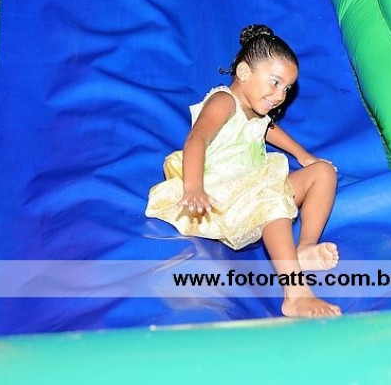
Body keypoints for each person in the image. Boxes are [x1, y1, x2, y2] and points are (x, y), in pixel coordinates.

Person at [146, 24, 341, 317]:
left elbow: (268, 129)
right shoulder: (223, 101)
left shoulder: (256, 112)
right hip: (220, 199)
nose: (280, 95)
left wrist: (304, 156)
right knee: (270, 200)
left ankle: (304, 248)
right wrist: (194, 188)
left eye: (287, 89)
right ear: (244, 72)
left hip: (252, 189)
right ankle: (296, 295)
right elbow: (197, 138)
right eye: (275, 83)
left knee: (324, 173)